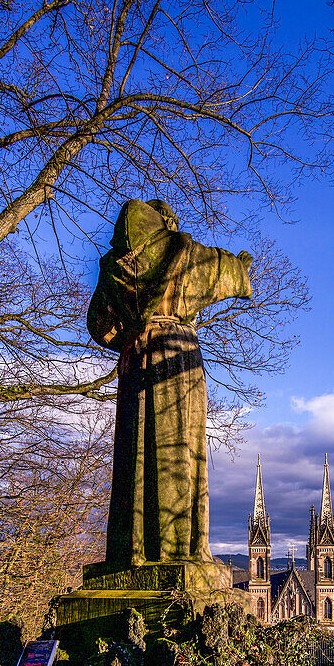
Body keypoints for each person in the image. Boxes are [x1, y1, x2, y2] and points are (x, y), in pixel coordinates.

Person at [88, 199, 253, 568]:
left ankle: (129, 552)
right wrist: (242, 267)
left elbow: (99, 325)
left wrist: (131, 333)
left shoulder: (114, 266)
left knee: (134, 453)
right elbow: (232, 276)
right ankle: (180, 552)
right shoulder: (185, 253)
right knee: (180, 446)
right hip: (178, 356)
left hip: (135, 356)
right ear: (166, 221)